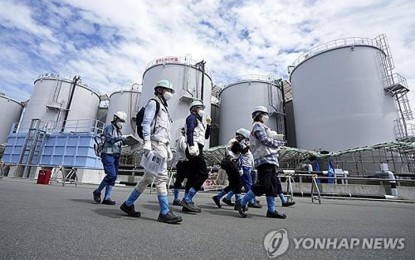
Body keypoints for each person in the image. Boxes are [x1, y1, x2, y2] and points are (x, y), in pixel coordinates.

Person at [120, 80, 182, 224]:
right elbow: (146, 123)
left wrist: (167, 147)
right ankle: (165, 212)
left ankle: (128, 204)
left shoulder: (164, 108)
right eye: (168, 90)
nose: (170, 94)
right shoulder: (154, 103)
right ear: (160, 90)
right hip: (154, 144)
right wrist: (147, 142)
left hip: (161, 145)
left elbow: (163, 131)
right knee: (162, 178)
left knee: (147, 178)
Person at [236, 106, 294, 219]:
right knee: (263, 184)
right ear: (259, 115)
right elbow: (264, 140)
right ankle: (242, 202)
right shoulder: (257, 126)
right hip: (264, 159)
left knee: (271, 185)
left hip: (270, 159)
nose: (266, 116)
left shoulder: (261, 126)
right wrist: (278, 143)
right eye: (264, 114)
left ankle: (271, 210)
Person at [180, 99, 211, 213]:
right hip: (194, 148)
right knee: (203, 173)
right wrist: (192, 145)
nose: (202, 110)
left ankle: (186, 205)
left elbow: (206, 137)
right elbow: (190, 132)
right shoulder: (191, 118)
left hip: (198, 148)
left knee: (193, 175)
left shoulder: (199, 121)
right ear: (194, 109)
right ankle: (187, 199)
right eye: (200, 108)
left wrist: (208, 125)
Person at [93, 111, 128, 205]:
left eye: (123, 121)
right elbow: (109, 139)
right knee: (111, 175)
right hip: (108, 154)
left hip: (116, 155)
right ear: (116, 118)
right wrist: (121, 138)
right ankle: (97, 191)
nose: (121, 122)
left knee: (113, 177)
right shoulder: (109, 128)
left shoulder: (119, 131)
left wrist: (127, 141)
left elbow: (118, 143)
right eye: (120, 120)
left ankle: (107, 198)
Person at [212, 128, 250, 209]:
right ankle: (238, 203)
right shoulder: (234, 142)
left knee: (233, 185)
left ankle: (218, 197)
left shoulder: (232, 142)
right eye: (243, 138)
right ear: (240, 136)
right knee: (238, 183)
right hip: (231, 164)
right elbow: (243, 151)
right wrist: (249, 146)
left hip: (229, 164)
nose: (243, 140)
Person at [172, 127, 190, 206]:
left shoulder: (186, 140)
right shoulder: (183, 140)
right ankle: (176, 199)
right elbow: (187, 151)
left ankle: (186, 199)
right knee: (179, 180)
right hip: (183, 163)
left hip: (186, 163)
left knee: (189, 181)